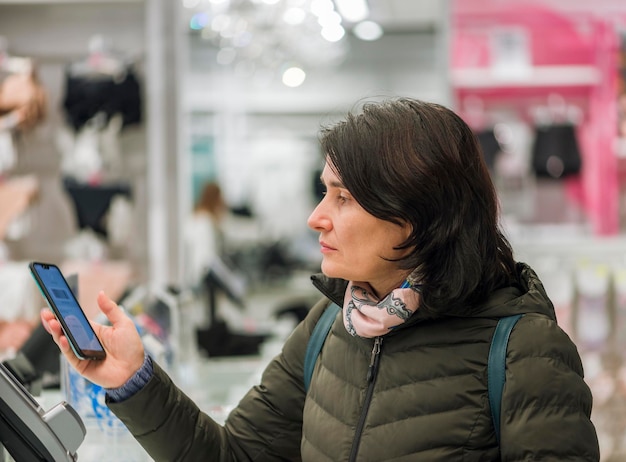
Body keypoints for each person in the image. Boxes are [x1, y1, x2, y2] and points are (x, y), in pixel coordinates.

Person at [41, 97, 600, 461]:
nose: (316, 217)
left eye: (344, 197)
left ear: (418, 213)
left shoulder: (522, 348)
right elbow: (234, 457)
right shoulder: (332, 324)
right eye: (323, 190)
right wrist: (133, 379)